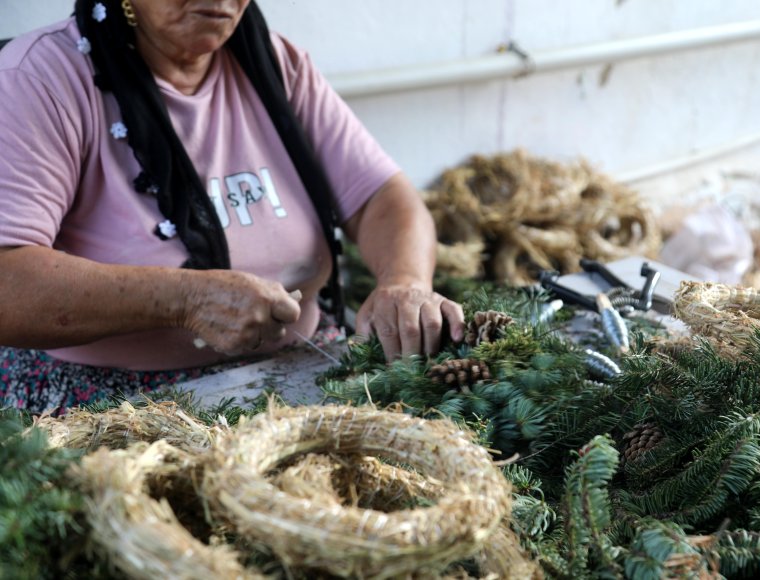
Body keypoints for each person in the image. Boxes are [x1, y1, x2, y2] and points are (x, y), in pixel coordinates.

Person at [0, 0, 464, 413]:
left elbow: (384, 198)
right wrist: (186, 299)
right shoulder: (40, 80)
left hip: (300, 370)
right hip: (115, 404)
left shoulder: (274, 63)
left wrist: (403, 283)